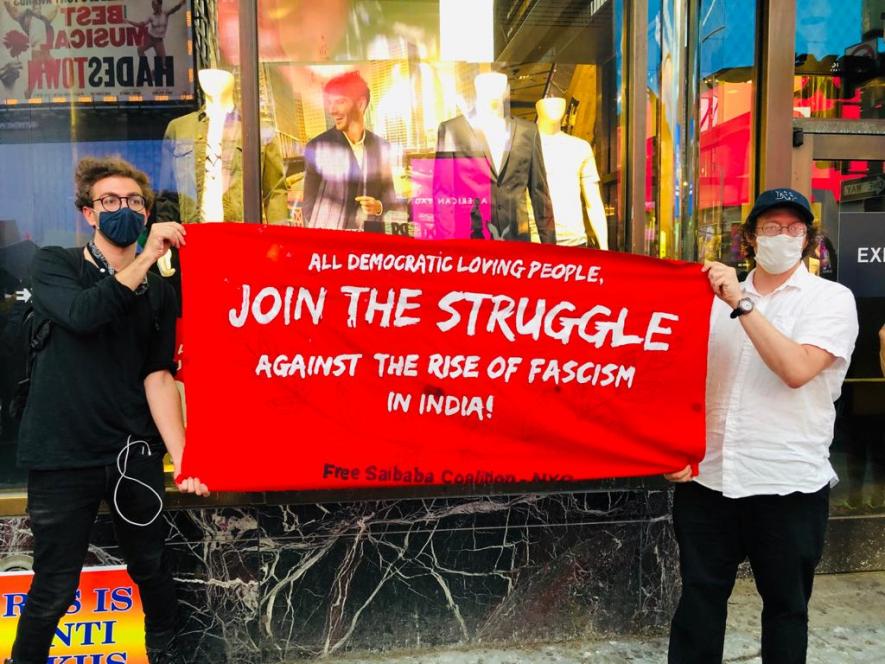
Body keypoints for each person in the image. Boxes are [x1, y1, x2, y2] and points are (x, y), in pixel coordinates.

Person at [7, 156, 208, 664]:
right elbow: (83, 315)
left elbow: (158, 376)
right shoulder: (55, 264)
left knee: (154, 569)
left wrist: (185, 458)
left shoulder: (159, 292)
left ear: (146, 214)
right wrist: (146, 259)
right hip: (62, 456)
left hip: (131, 455)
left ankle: (167, 655)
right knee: (53, 584)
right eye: (110, 201)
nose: (124, 209)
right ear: (88, 214)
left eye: (134, 202)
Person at [665, 187, 859, 663]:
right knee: (698, 603)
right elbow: (675, 376)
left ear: (808, 239)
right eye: (771, 227)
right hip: (708, 480)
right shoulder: (705, 299)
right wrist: (669, 447)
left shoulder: (830, 300)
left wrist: (740, 301)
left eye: (794, 229)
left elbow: (795, 369)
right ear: (750, 237)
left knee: (786, 612)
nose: (783, 236)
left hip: (787, 484)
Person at [302, 70, 400, 230]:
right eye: (330, 102)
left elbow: (390, 198)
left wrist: (378, 207)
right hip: (334, 244)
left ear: (360, 104)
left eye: (340, 102)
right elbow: (309, 206)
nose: (332, 110)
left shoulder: (382, 147)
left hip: (371, 244)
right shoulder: (318, 147)